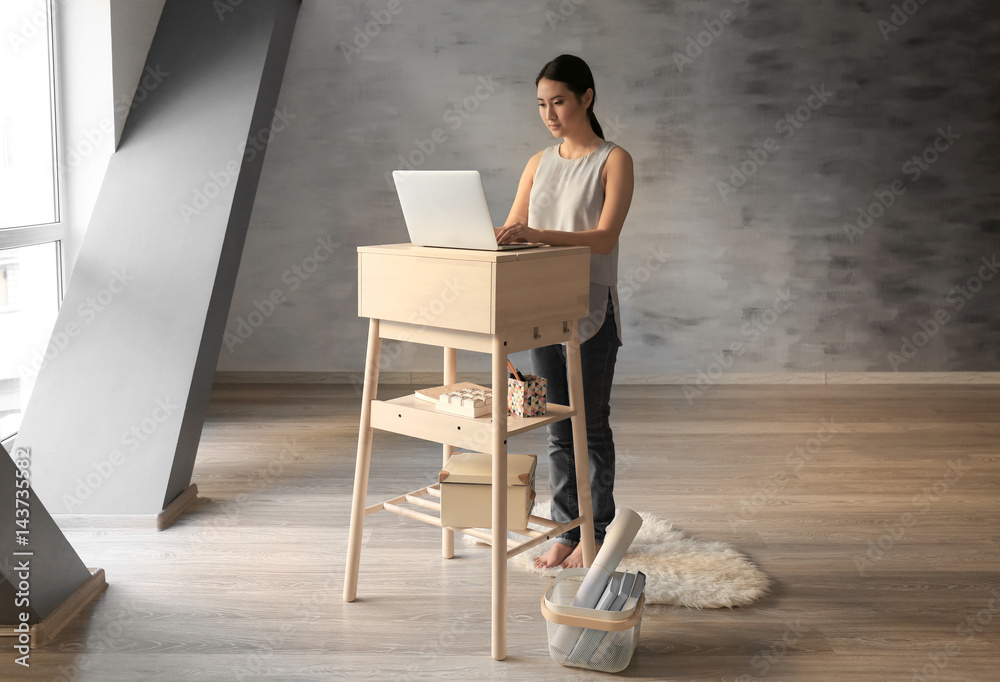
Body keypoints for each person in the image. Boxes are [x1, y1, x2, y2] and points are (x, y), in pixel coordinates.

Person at [495, 54, 634, 569]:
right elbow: (516, 225)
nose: (549, 114)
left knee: (590, 424)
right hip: (539, 307)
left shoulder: (614, 160)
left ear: (587, 98)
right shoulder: (538, 162)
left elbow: (604, 238)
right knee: (556, 425)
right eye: (541, 104)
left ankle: (594, 533)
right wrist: (498, 235)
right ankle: (564, 529)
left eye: (558, 102)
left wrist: (535, 233)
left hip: (591, 307)